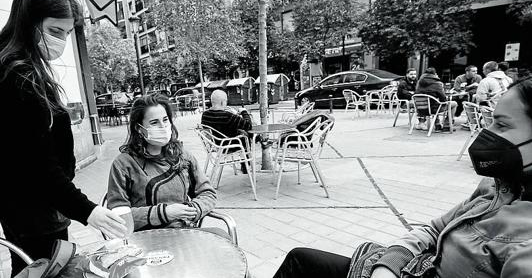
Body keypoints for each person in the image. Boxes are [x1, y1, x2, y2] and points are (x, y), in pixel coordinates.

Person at [273, 75, 532, 278]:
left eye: (502, 124)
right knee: (301, 259)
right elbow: (433, 229)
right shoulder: (498, 186)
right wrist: (389, 265)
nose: (486, 132)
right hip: (413, 269)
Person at [0, 0, 127, 274]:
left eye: (67, 33)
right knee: (46, 269)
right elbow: (37, 167)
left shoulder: (25, 68)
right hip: (34, 215)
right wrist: (89, 211)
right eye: (55, 31)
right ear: (28, 21)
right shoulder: (17, 78)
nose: (62, 41)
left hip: (38, 209)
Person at [107, 94, 216, 231]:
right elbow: (118, 215)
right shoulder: (124, 164)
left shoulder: (182, 155)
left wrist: (192, 209)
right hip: (145, 238)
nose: (163, 126)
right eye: (154, 123)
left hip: (184, 231)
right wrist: (164, 213)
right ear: (139, 128)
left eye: (165, 120)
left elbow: (207, 193)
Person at [201, 89, 252, 173]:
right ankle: (246, 164)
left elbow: (221, 124)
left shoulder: (205, 115)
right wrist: (244, 112)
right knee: (246, 135)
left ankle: (260, 141)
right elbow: (248, 125)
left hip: (217, 145)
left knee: (240, 131)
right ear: (222, 102)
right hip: (231, 145)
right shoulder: (228, 116)